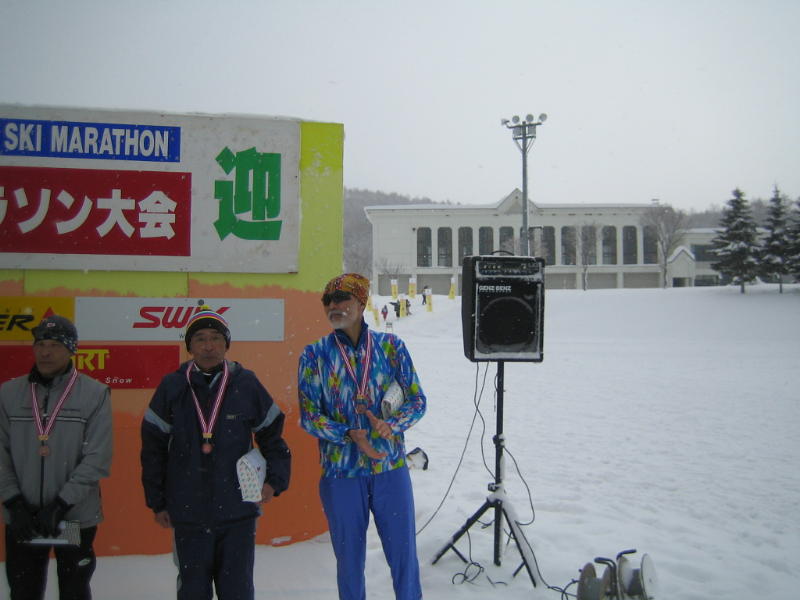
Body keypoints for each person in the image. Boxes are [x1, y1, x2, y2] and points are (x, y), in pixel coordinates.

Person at [141, 309, 291, 600]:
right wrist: (157, 501)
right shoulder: (173, 386)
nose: (208, 346)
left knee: (237, 591)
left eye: (215, 338)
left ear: (226, 344)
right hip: (188, 513)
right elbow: (153, 449)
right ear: (190, 346)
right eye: (200, 339)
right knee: (193, 590)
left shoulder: (246, 384)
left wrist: (275, 481)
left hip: (238, 512)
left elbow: (273, 436)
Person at [298, 273, 426, 600]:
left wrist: (392, 424)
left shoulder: (391, 347)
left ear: (361, 302)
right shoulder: (314, 355)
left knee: (404, 556)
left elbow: (417, 400)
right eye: (328, 301)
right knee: (349, 563)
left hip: (389, 469)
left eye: (342, 299)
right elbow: (309, 416)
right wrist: (348, 434)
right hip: (341, 473)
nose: (334, 306)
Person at [0, 315, 112, 600]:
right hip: (23, 517)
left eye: (54, 345)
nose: (45, 352)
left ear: (71, 350)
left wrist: (60, 505)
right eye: (40, 344)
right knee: (24, 591)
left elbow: (97, 457)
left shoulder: (94, 393)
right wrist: (14, 502)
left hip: (72, 518)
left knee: (74, 590)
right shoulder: (9, 393)